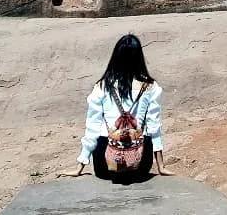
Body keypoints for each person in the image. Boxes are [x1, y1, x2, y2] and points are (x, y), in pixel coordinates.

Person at [62, 34, 174, 180]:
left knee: (101, 131)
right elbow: (154, 127)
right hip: (139, 166)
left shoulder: (102, 86)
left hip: (106, 167)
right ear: (139, 58)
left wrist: (80, 164)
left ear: (115, 56)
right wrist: (161, 166)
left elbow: (92, 127)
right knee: (145, 133)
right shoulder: (150, 87)